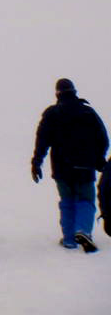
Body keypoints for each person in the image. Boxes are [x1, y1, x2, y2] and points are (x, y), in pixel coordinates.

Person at [31, 78, 109, 252]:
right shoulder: (87, 112)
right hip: (85, 166)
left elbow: (42, 140)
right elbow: (102, 138)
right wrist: (99, 159)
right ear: (74, 91)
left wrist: (37, 162)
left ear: (57, 94)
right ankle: (83, 231)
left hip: (61, 167)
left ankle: (68, 239)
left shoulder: (52, 113)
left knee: (67, 201)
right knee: (85, 200)